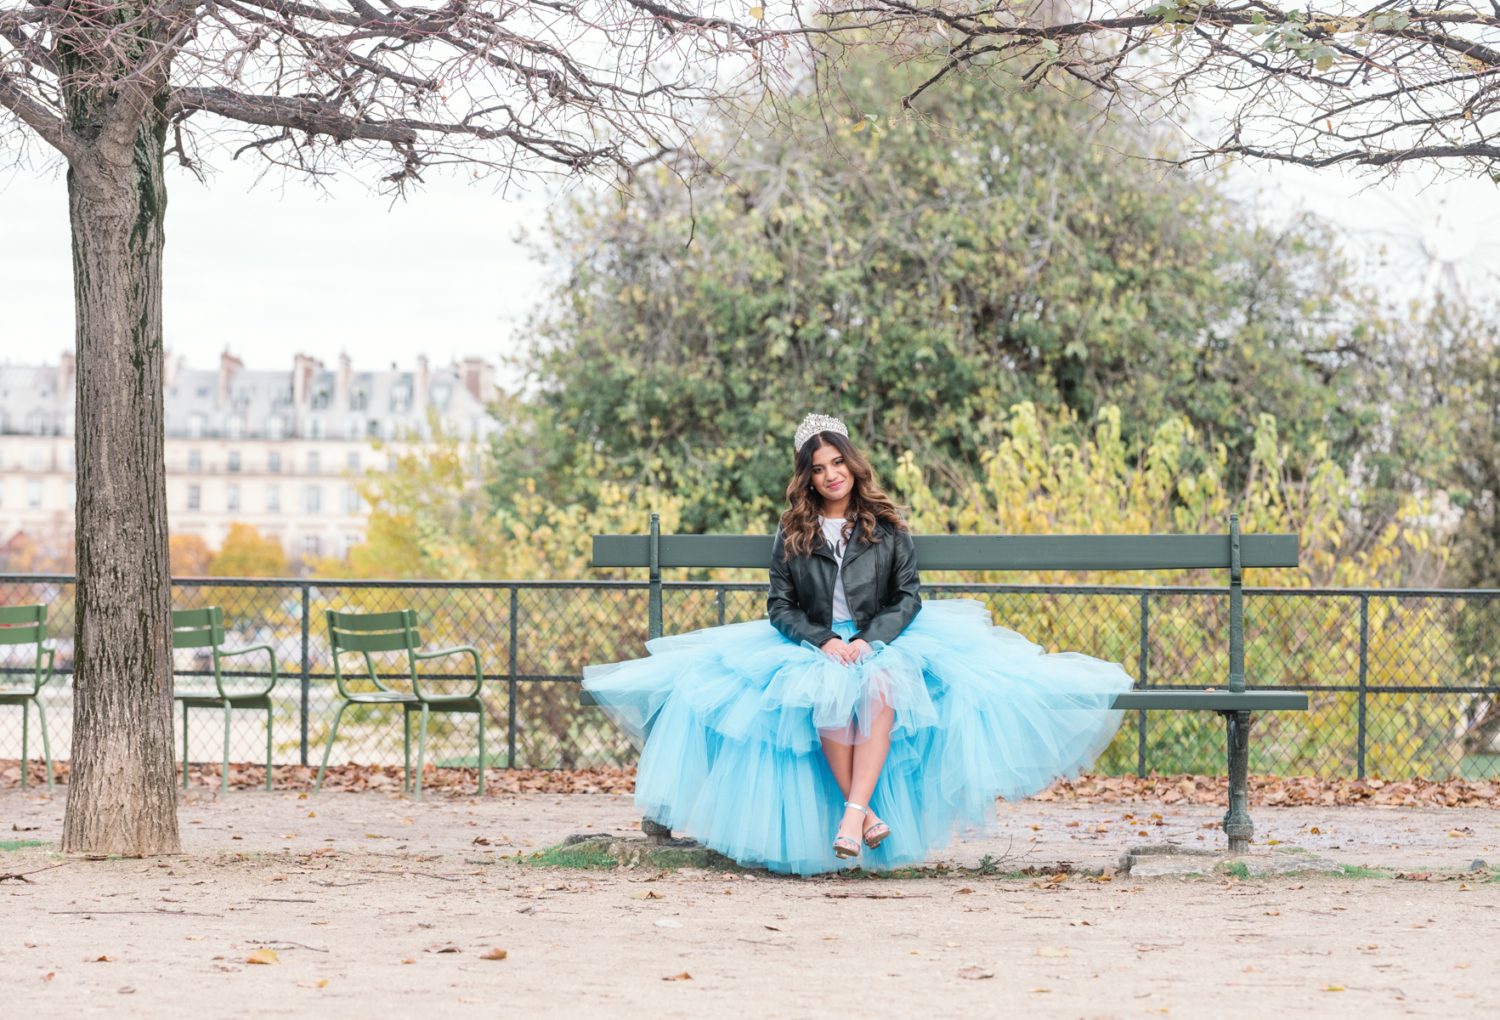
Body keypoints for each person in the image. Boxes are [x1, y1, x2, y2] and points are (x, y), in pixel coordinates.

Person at [583, 413, 1133, 874]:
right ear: (808, 477)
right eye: (819, 469)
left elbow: (909, 597)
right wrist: (822, 641)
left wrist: (871, 642)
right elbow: (780, 606)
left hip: (882, 642)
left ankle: (852, 817)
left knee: (880, 687)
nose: (831, 475)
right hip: (813, 645)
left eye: (837, 463)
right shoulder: (794, 530)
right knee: (821, 690)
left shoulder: (886, 527)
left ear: (852, 463)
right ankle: (864, 817)